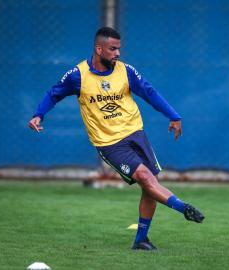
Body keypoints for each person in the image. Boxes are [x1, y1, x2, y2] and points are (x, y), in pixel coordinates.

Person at [28, 27, 204, 250]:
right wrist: (38, 115)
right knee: (145, 177)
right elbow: (54, 93)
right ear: (98, 48)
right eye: (112, 49)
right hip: (109, 143)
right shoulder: (78, 75)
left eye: (119, 49)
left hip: (135, 133)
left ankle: (141, 240)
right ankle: (183, 208)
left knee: (150, 184)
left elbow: (149, 92)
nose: (117, 53)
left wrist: (173, 115)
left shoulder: (126, 71)